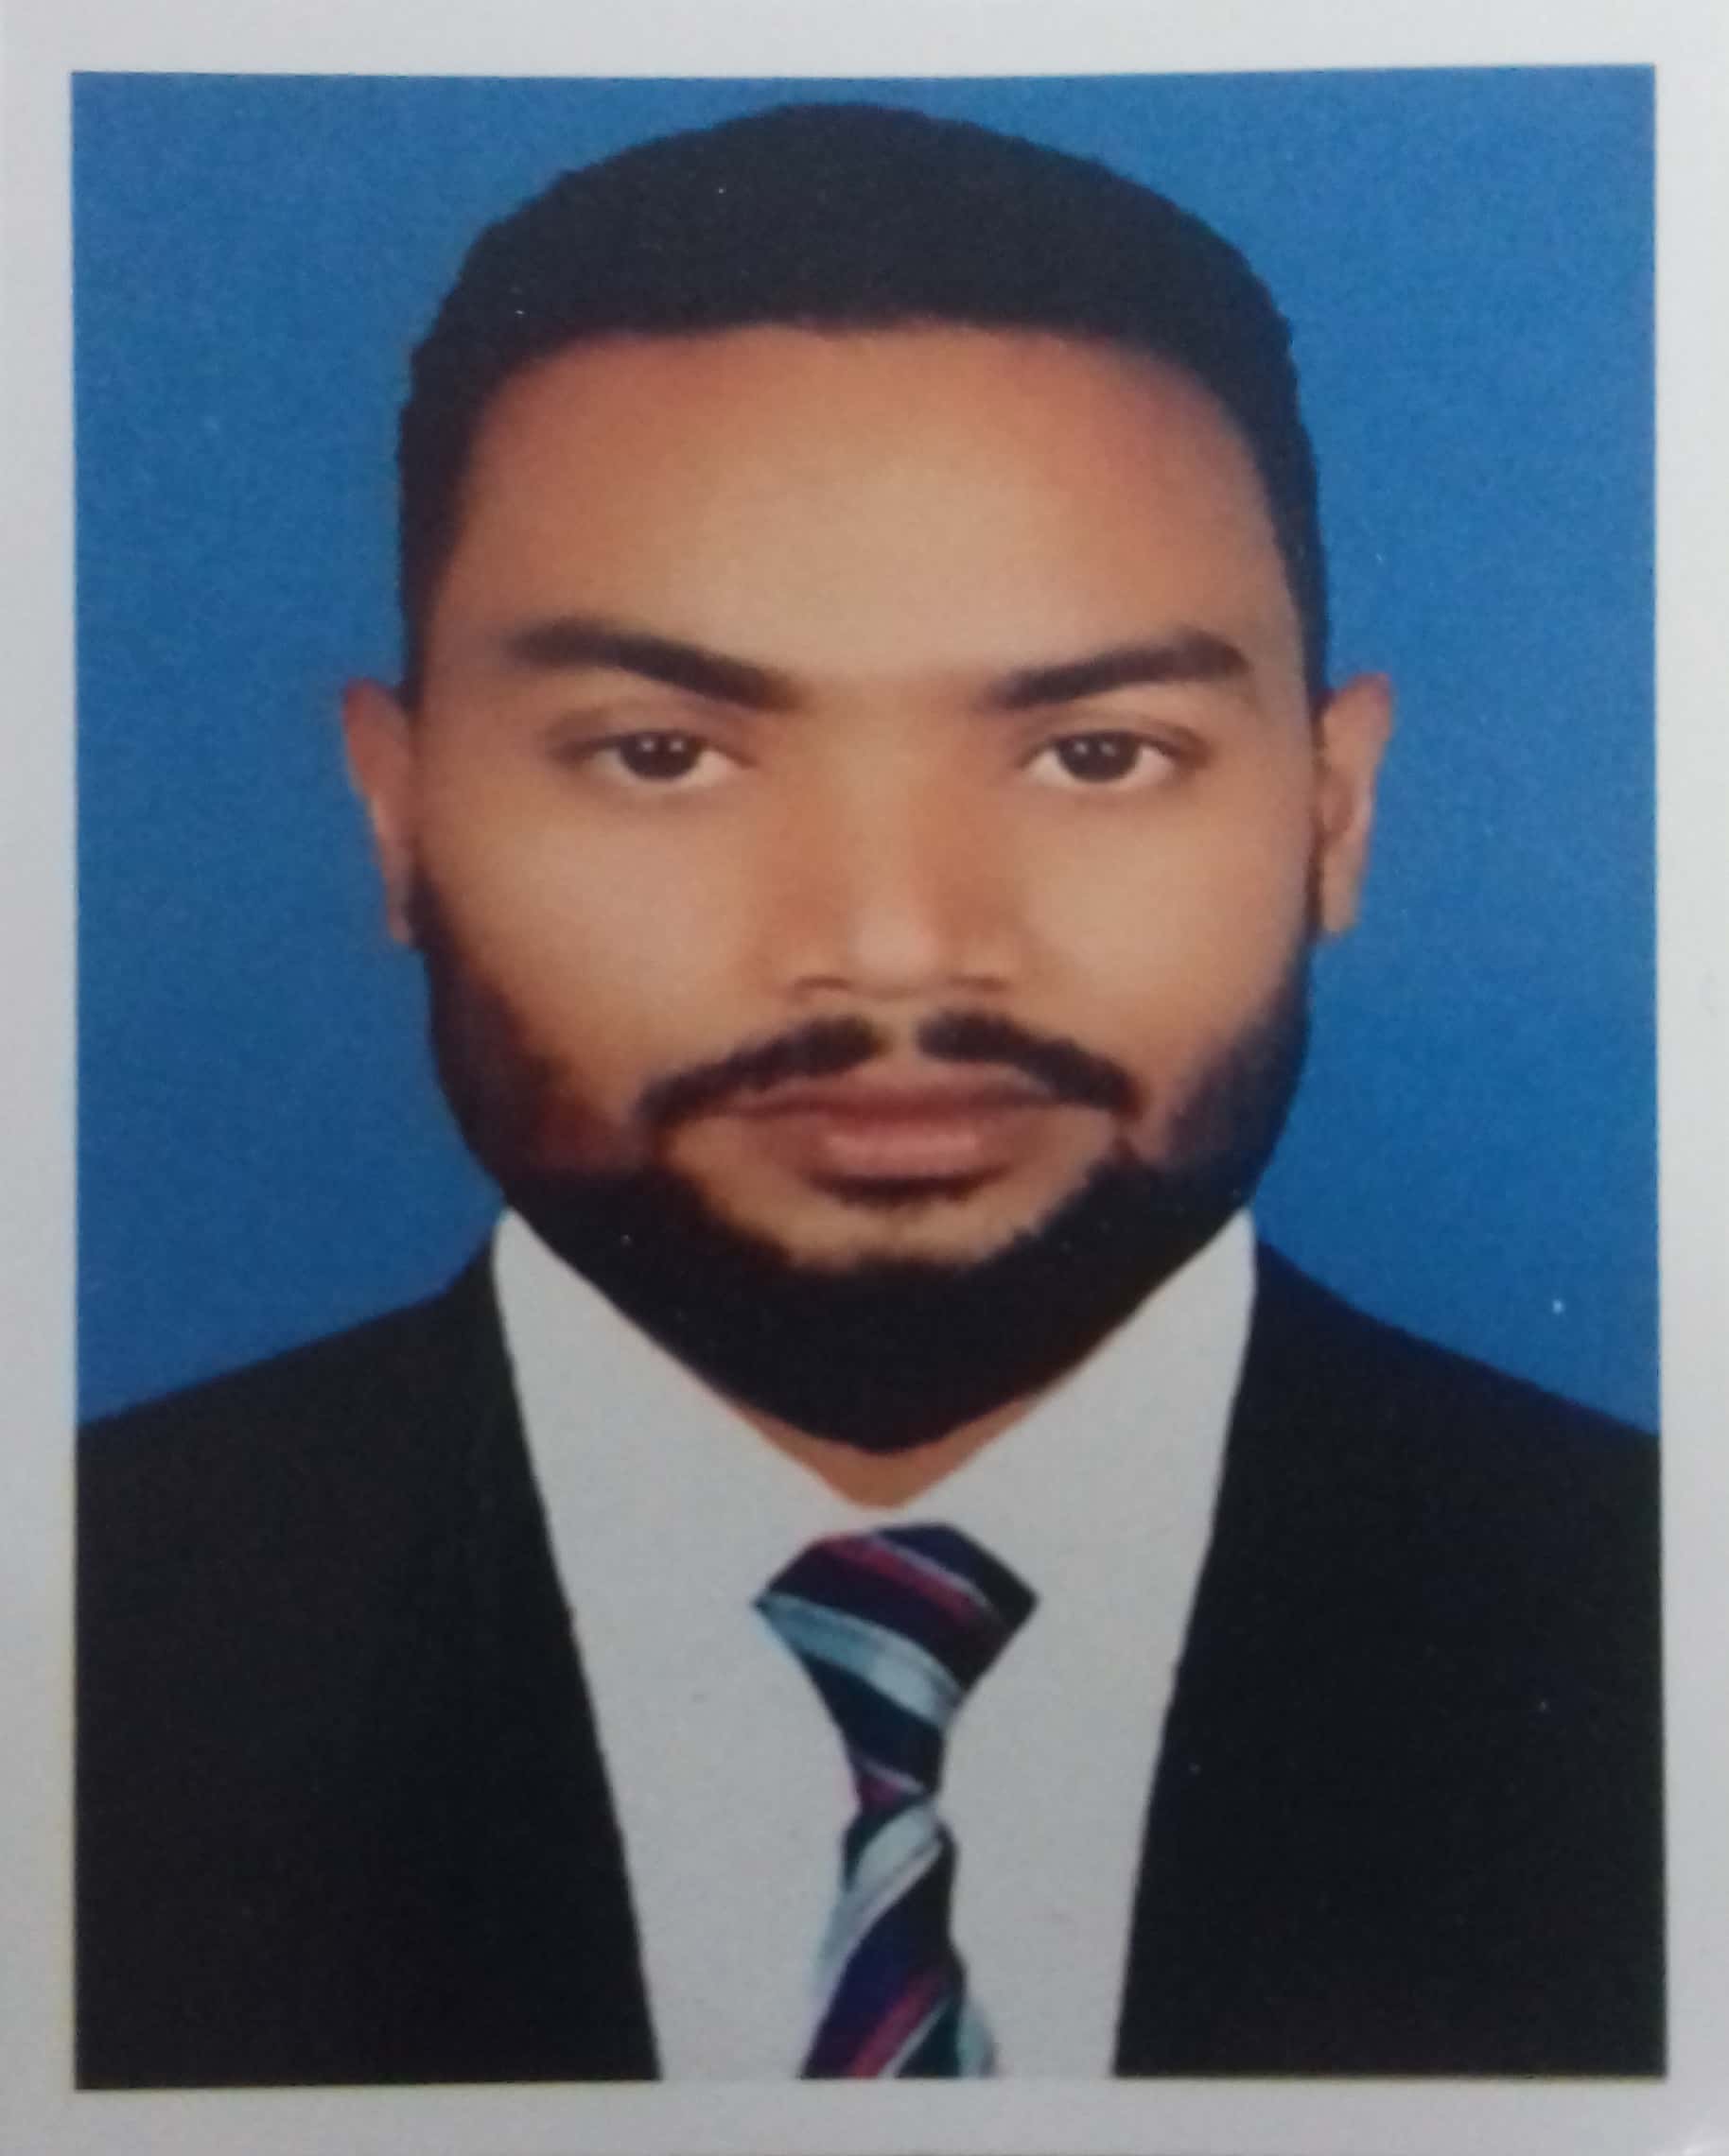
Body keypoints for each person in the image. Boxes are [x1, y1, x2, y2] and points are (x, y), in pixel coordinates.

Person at [77, 100, 1662, 2089]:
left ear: (1332, 811)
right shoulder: (72, 1634)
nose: (899, 949)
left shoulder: (1651, 1623)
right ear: (396, 814)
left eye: (1096, 753)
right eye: (663, 753)